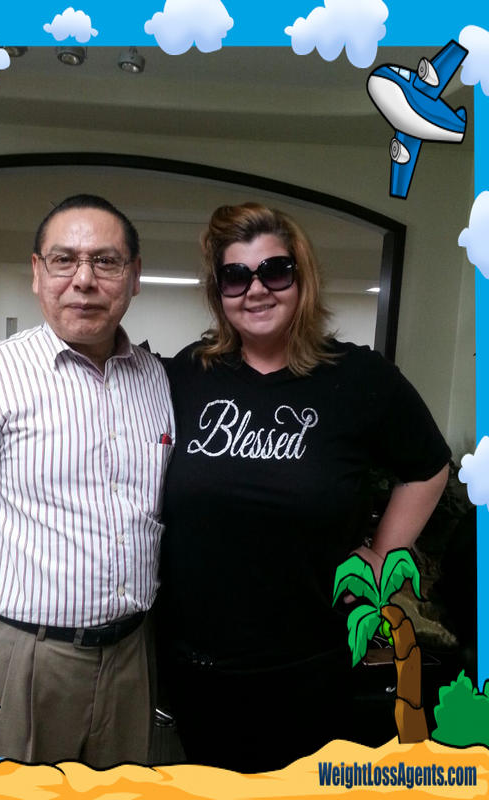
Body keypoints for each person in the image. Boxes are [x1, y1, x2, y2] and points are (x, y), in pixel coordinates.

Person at [158, 202, 450, 773]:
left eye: (275, 271)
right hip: (196, 667)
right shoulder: (189, 374)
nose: (256, 290)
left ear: (302, 277)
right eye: (235, 276)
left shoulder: (359, 378)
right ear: (218, 290)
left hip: (311, 665)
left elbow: (429, 466)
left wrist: (382, 557)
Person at [0, 194, 175, 766]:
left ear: (134, 276)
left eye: (106, 261)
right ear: (37, 272)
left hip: (131, 658)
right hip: (18, 659)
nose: (84, 280)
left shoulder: (156, 379)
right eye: (63, 260)